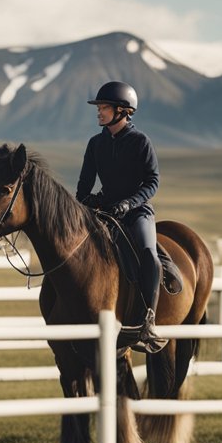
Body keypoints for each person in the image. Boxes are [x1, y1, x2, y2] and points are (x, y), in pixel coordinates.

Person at [75, 81, 164, 353]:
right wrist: (83, 203)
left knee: (149, 253)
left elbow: (152, 182)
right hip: (104, 210)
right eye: (99, 107)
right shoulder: (95, 144)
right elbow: (83, 185)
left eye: (104, 107)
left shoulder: (140, 142)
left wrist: (129, 203)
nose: (99, 112)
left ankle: (147, 321)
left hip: (136, 212)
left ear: (123, 111)